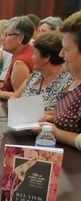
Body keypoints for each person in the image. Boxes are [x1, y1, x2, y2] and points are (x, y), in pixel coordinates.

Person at [33, 11, 81, 150]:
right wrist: (52, 118)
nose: (61, 54)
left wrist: (56, 133)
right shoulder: (75, 79)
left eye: (66, 49)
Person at [8, 31, 72, 110]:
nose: (32, 57)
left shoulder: (68, 82)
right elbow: (16, 95)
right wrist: (14, 106)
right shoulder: (35, 75)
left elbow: (65, 113)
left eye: (35, 54)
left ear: (46, 58)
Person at [0, 15, 35, 100]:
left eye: (6, 35)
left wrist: (0, 93)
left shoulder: (21, 63)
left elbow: (20, 97)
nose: (2, 38)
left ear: (20, 38)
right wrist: (4, 86)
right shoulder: (26, 50)